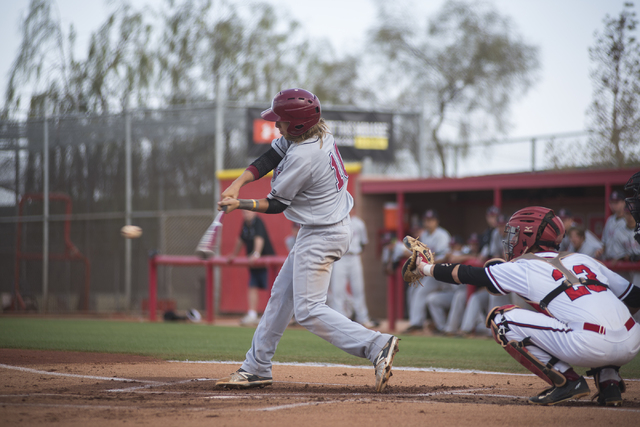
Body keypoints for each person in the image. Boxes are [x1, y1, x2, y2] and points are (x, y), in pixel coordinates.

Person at [215, 88, 399, 392]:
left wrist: (240, 203)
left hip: (324, 232)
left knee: (309, 310)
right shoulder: (312, 134)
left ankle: (376, 345)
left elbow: (276, 204)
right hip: (322, 227)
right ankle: (256, 366)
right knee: (280, 298)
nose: (277, 125)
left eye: (282, 121)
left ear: (298, 124)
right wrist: (238, 183)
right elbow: (271, 155)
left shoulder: (305, 155)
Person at [405, 206, 640, 406]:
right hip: (632, 340)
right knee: (604, 321)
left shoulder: (524, 265)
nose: (511, 239)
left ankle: (567, 381)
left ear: (530, 237)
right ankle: (609, 381)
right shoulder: (583, 259)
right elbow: (634, 297)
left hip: (589, 344)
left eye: (516, 234)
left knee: (501, 319)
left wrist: (425, 268)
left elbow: (467, 274)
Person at [404, 209, 452, 334]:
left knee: (420, 292)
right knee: (412, 290)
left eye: (431, 220)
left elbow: (445, 256)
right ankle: (415, 322)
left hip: (441, 272)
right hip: (429, 271)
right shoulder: (425, 234)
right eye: (426, 220)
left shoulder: (442, 235)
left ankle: (417, 323)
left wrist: (427, 262)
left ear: (436, 221)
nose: (428, 223)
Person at [328, 212, 376, 328]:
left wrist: (356, 252)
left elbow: (363, 243)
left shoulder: (359, 223)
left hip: (354, 257)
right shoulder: (336, 220)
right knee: (338, 290)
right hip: (341, 257)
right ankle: (339, 319)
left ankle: (363, 318)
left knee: (358, 289)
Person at [228, 210, 275, 326]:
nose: (246, 214)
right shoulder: (245, 223)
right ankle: (252, 314)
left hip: (266, 263)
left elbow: (259, 238)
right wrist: (234, 254)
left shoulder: (258, 222)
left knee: (273, 289)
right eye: (244, 212)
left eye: (248, 212)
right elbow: (240, 239)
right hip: (254, 264)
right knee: (252, 286)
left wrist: (256, 254)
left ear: (254, 212)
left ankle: (274, 315)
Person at [602, 191, 628, 260]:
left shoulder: (629, 221)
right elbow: (604, 241)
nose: (614, 205)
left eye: (617, 202)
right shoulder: (610, 220)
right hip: (610, 260)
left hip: (624, 261)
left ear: (624, 203)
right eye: (612, 202)